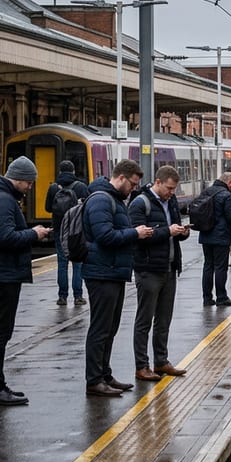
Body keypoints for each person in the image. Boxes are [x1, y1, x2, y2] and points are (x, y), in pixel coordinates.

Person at [0, 156, 51, 406]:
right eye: (29, 183)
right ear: (18, 179)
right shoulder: (2, 200)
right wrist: (34, 233)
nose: (30, 188)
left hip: (0, 272)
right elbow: (5, 237)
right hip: (1, 274)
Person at [82, 160, 154, 397]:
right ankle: (94, 380)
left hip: (113, 271)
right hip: (101, 272)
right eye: (132, 184)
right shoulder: (101, 200)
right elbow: (104, 236)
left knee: (110, 328)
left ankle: (105, 374)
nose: (133, 189)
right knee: (100, 328)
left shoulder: (114, 199)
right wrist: (135, 233)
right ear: (121, 177)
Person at [131, 165, 191, 383]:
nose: (171, 192)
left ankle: (161, 360)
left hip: (170, 266)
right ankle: (141, 365)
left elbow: (174, 231)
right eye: (169, 188)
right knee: (145, 320)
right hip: (148, 269)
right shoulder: (140, 203)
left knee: (164, 318)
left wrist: (183, 232)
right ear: (157, 182)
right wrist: (168, 231)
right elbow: (138, 234)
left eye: (174, 189)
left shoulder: (171, 201)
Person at [44, 161, 89, 306]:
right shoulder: (80, 186)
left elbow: (48, 208)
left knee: (62, 263)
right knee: (77, 263)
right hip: (76, 230)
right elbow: (87, 206)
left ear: (60, 171)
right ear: (73, 171)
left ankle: (62, 297)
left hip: (59, 229)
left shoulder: (53, 187)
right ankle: (78, 296)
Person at [199, 173, 231, 307]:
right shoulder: (226, 195)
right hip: (220, 236)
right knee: (220, 267)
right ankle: (221, 297)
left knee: (208, 266)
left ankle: (207, 298)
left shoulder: (206, 192)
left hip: (206, 235)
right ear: (230, 182)